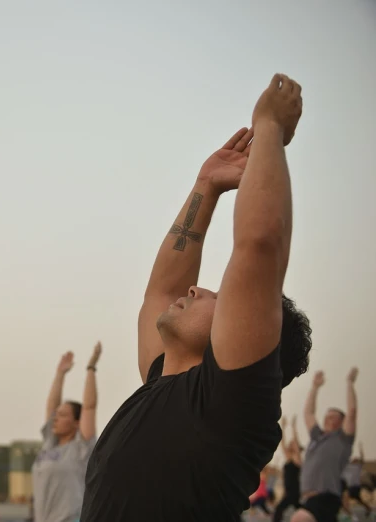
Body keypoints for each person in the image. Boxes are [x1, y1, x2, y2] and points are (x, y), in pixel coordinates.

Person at [80, 74, 312, 522]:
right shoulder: (160, 381)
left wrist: (269, 128)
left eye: (220, 299)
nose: (195, 288)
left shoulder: (233, 402)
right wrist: (206, 184)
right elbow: (162, 292)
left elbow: (259, 242)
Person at [33, 343, 100, 522]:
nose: (55, 418)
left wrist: (91, 368)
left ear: (77, 423)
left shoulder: (81, 448)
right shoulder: (49, 443)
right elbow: (51, 406)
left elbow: (89, 407)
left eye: (62, 415)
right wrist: (60, 373)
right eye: (56, 415)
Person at [290, 368, 358, 522]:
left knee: (299, 518)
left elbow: (352, 412)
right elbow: (308, 413)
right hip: (308, 498)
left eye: (333, 417)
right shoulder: (317, 437)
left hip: (326, 496)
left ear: (341, 422)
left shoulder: (342, 440)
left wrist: (349, 383)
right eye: (327, 416)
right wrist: (314, 387)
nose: (328, 419)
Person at [274, 416, 303, 522]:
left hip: (294, 490)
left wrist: (293, 428)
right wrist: (284, 427)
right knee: (298, 508)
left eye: (293, 444)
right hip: (289, 490)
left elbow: (296, 442)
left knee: (279, 509)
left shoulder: (297, 458)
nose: (290, 444)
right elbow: (283, 443)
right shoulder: (288, 457)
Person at [342, 443, 370, 518]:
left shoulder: (358, 466)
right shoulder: (348, 466)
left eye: (356, 458)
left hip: (355, 486)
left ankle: (350, 514)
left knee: (345, 500)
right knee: (359, 500)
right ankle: (368, 508)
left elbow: (362, 458)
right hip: (351, 486)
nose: (355, 459)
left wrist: (361, 449)